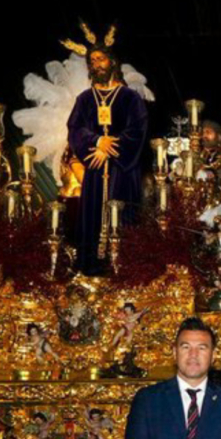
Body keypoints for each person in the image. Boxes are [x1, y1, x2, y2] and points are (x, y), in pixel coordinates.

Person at [65, 31, 148, 275]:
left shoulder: (130, 98)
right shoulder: (84, 99)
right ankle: (91, 268)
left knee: (123, 217)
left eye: (101, 59)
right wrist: (97, 142)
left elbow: (138, 129)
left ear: (112, 61)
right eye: (92, 61)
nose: (96, 64)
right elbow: (75, 128)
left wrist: (111, 149)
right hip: (95, 168)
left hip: (123, 170)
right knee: (92, 219)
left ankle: (124, 270)